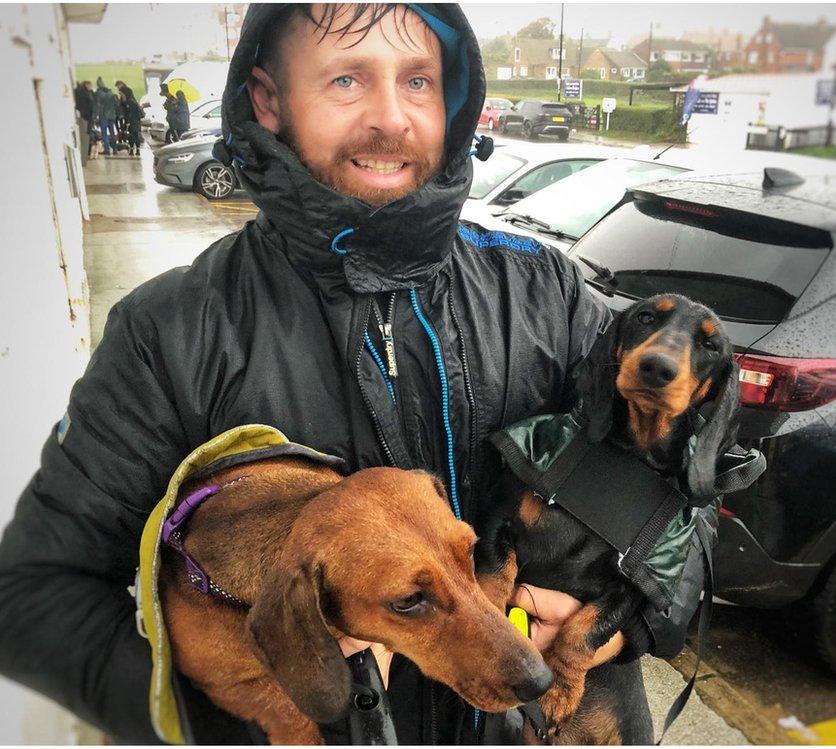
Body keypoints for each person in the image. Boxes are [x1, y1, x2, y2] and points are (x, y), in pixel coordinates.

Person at [0, 4, 658, 744]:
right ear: (268, 100)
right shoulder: (171, 332)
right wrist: (245, 723)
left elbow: (681, 494)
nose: (392, 117)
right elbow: (33, 598)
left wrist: (623, 620)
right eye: (347, 78)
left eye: (418, 80)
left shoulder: (548, 293)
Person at [93, 76, 118, 154]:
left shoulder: (98, 94)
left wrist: (95, 116)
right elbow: (116, 104)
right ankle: (115, 149)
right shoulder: (110, 93)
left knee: (104, 134)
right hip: (111, 116)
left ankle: (107, 150)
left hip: (103, 116)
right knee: (112, 133)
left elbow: (97, 106)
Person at [121, 89, 143, 157]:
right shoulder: (134, 101)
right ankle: (137, 150)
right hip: (137, 122)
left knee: (132, 136)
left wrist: (127, 122)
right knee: (136, 136)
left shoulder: (129, 102)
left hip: (132, 122)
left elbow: (129, 113)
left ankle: (132, 150)